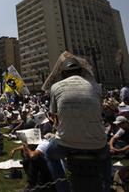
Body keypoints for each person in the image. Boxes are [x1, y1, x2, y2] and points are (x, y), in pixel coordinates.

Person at [44, 57, 111, 192]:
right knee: (106, 157)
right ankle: (106, 187)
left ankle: (63, 189)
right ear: (81, 71)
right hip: (97, 143)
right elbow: (100, 111)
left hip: (66, 143)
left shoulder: (56, 87)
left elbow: (54, 114)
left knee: (49, 154)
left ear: (63, 73)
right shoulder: (96, 87)